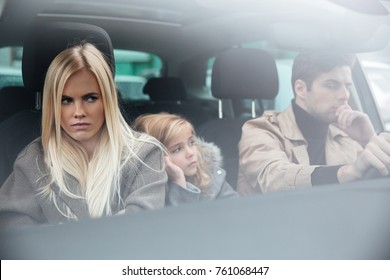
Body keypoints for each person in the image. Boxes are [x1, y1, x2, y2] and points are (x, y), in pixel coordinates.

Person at [0, 43, 167, 228]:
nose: (78, 112)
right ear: (53, 106)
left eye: (90, 98)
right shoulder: (34, 160)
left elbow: (141, 228)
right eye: (66, 100)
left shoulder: (144, 154)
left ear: (108, 100)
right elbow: (13, 229)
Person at [237, 52, 390, 194]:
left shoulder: (347, 135)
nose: (344, 95)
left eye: (347, 86)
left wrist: (368, 140)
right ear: (301, 89)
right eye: (332, 85)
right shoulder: (260, 130)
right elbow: (273, 178)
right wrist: (348, 172)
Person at [133, 113, 238, 206]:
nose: (191, 153)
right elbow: (181, 223)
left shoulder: (210, 175)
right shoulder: (146, 194)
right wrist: (179, 182)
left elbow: (238, 211)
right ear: (156, 157)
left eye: (191, 143)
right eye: (177, 149)